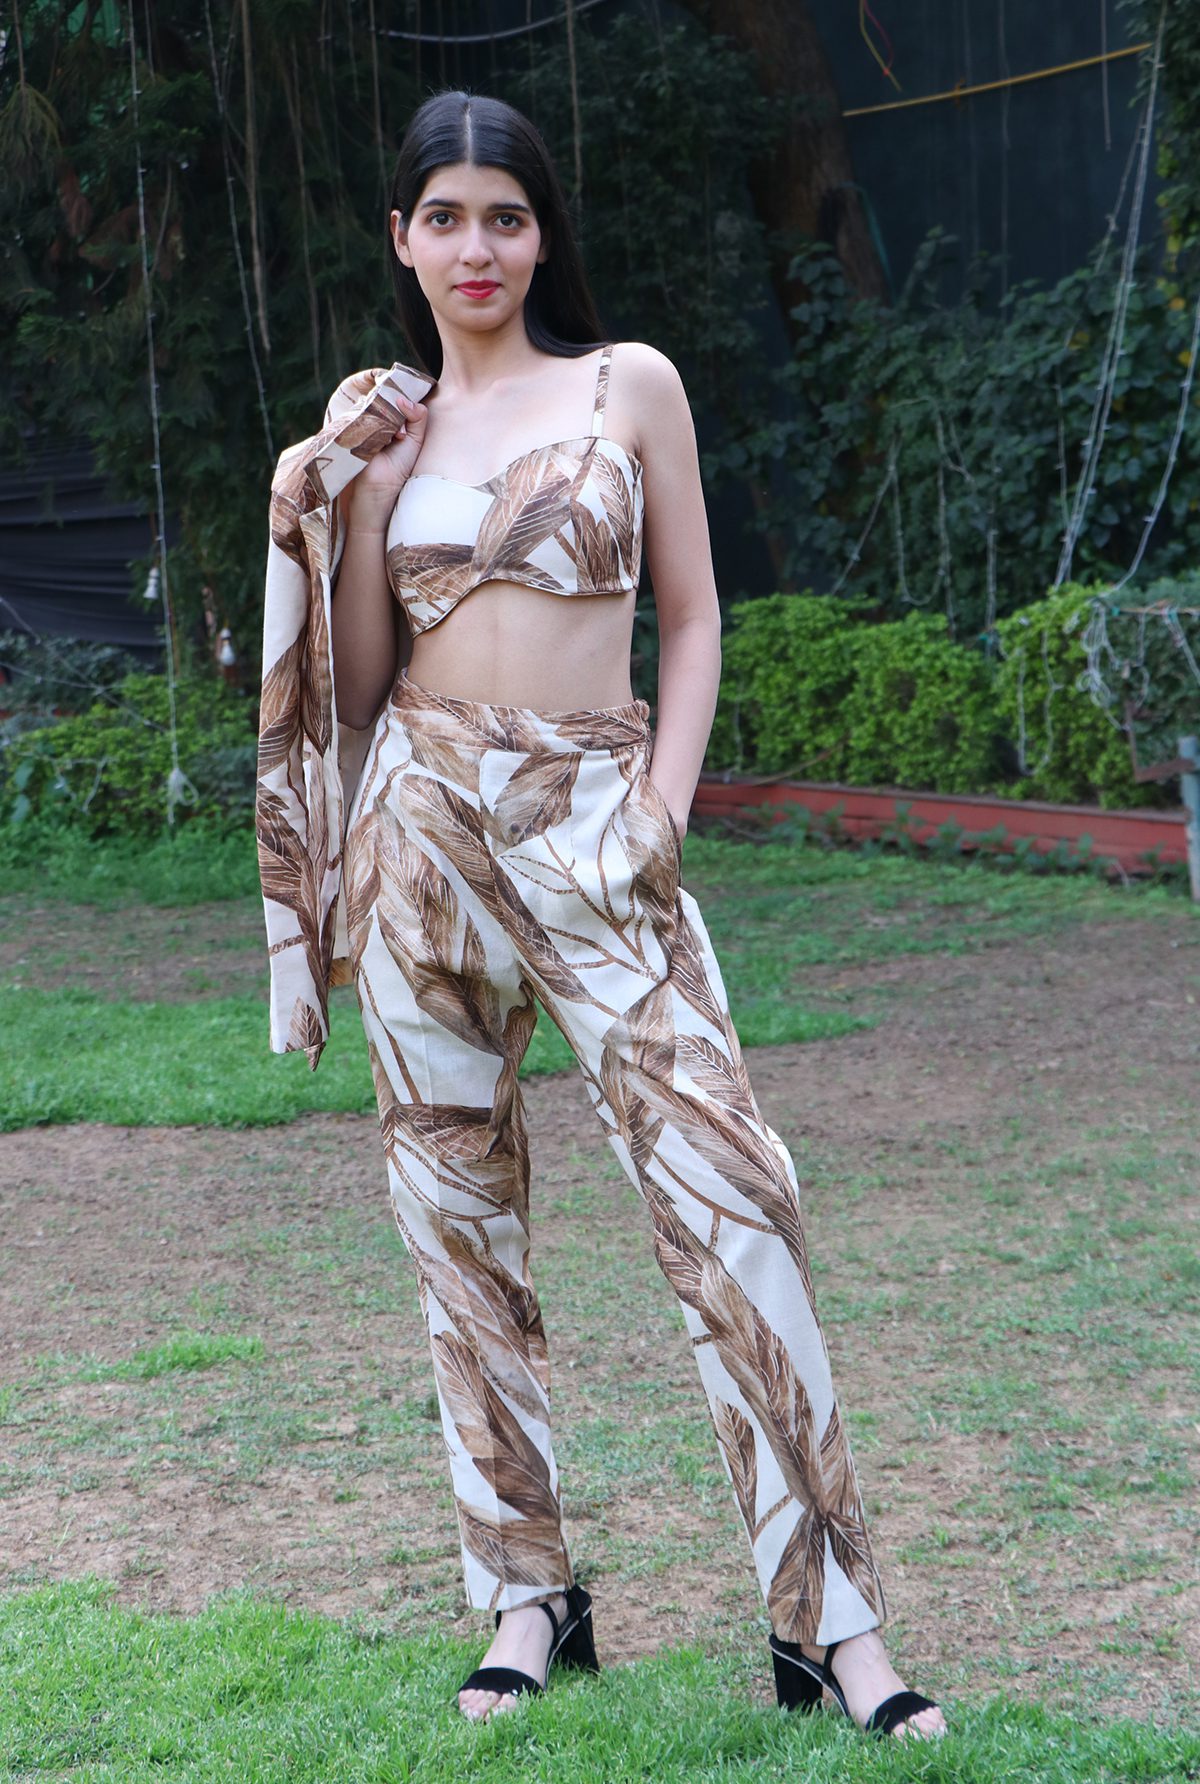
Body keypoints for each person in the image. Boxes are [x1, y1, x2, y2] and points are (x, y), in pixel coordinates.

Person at [257, 88, 948, 1743]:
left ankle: (833, 1627)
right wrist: (363, 499)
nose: (476, 246)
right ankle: (526, 1600)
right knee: (457, 1229)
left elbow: (693, 619)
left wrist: (663, 810)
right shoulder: (383, 426)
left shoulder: (627, 385)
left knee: (738, 1199)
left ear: (540, 231)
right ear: (402, 240)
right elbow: (359, 685)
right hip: (423, 832)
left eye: (504, 215)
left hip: (596, 826)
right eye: (444, 218)